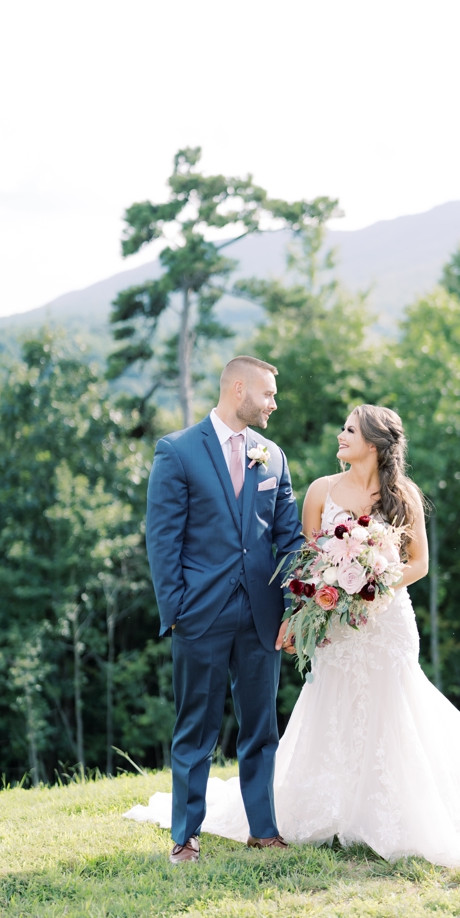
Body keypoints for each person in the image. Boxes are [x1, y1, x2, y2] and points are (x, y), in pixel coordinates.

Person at [127, 405, 460, 867]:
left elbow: (419, 562)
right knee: (328, 709)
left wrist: (373, 584)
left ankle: (388, 808)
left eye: (349, 430)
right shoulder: (319, 490)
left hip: (387, 620)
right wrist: (318, 601)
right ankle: (274, 819)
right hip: (330, 622)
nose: (340, 435)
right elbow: (303, 556)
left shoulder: (403, 495)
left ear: (375, 444)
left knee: (389, 709)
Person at [142, 356, 306, 864]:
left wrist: (294, 609)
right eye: (268, 394)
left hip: (262, 615)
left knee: (261, 728)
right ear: (239, 390)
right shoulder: (178, 451)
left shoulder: (272, 456)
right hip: (201, 615)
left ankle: (263, 828)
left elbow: (290, 539)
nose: (273, 403)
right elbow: (162, 542)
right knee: (196, 728)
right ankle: (186, 836)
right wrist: (178, 610)